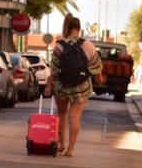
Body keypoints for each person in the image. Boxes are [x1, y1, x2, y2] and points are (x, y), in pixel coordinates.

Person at [44, 14, 103, 157]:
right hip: (81, 87)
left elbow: (54, 69)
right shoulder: (87, 45)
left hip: (62, 86)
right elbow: (96, 65)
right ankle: (70, 149)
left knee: (62, 114)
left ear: (67, 28)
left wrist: (49, 85)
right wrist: (99, 77)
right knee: (74, 117)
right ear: (79, 28)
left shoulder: (59, 46)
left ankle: (62, 144)